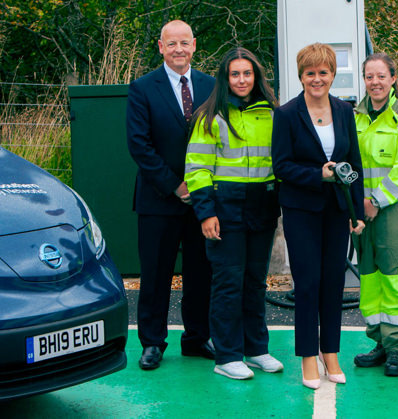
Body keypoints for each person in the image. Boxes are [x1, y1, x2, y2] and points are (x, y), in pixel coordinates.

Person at [184, 47, 283, 380]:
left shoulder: (272, 113)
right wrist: (205, 213)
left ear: (256, 76)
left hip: (262, 205)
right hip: (224, 207)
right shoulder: (209, 116)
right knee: (228, 282)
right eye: (235, 74)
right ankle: (226, 355)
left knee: (254, 282)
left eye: (247, 73)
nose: (242, 80)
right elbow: (196, 169)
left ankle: (256, 349)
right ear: (225, 79)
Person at [271, 43, 366, 390]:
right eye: (310, 73)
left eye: (323, 72)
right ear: (301, 76)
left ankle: (331, 354)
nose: (317, 79)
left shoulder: (343, 111)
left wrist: (356, 212)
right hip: (301, 211)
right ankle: (308, 358)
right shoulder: (286, 114)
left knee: (333, 284)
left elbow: (354, 163)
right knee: (308, 284)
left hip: (336, 210)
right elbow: (281, 166)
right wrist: (318, 175)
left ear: (332, 75)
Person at [126, 20, 215, 370]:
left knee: (201, 272)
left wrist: (201, 187)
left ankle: (196, 338)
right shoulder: (142, 88)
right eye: (171, 43)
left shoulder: (212, 86)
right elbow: (139, 145)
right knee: (155, 274)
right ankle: (151, 342)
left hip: (202, 200)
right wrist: (176, 186)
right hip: (158, 200)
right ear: (160, 47)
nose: (179, 49)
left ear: (194, 45)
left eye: (184, 42)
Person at [352, 53, 398, 377]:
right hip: (363, 213)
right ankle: (380, 341)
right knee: (370, 277)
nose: (375, 82)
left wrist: (375, 202)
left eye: (381, 76)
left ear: (393, 79)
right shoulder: (355, 116)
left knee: (397, 278)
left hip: (394, 210)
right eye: (370, 77)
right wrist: (353, 206)